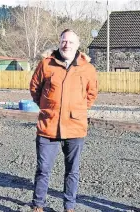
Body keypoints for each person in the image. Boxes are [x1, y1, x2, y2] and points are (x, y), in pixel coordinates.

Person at [29, 29, 98, 212]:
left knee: (72, 170)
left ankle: (69, 207)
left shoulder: (88, 69)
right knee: (43, 169)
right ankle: (38, 205)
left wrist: (78, 110)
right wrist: (47, 107)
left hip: (75, 127)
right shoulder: (46, 64)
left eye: (70, 42)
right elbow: (35, 88)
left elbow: (91, 94)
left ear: (77, 45)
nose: (66, 45)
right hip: (48, 125)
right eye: (63, 41)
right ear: (59, 43)